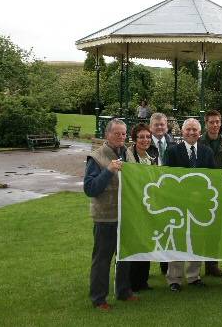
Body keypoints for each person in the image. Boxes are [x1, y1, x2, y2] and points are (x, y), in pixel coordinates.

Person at [83, 119, 137, 311]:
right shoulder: (96, 157)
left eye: (123, 133)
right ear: (107, 135)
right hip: (105, 217)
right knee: (102, 259)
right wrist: (108, 170)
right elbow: (90, 189)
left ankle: (123, 291)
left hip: (126, 216)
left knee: (124, 257)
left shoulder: (128, 153)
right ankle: (98, 298)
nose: (121, 137)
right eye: (117, 133)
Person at [163, 118, 216, 292]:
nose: (192, 132)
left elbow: (213, 178)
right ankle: (174, 279)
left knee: (196, 239)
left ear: (199, 133)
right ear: (182, 132)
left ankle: (194, 276)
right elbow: (166, 178)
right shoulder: (172, 152)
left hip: (199, 205)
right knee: (177, 240)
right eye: (188, 129)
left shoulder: (207, 152)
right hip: (178, 204)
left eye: (195, 130)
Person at [199, 109, 222, 277]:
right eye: (211, 122)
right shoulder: (198, 142)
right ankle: (195, 265)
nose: (214, 125)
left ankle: (212, 265)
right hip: (202, 193)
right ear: (206, 123)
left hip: (221, 193)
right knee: (200, 229)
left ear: (221, 123)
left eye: (217, 122)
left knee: (217, 229)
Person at [125, 123, 157, 292]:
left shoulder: (152, 156)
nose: (145, 140)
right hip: (133, 205)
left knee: (146, 242)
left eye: (147, 137)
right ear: (134, 139)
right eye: (141, 137)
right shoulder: (128, 155)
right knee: (134, 242)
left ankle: (142, 281)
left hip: (147, 205)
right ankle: (131, 281)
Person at [147, 112, 176, 274]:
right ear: (151, 127)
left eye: (162, 125)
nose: (159, 127)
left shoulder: (173, 144)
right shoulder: (144, 143)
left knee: (169, 230)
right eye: (156, 125)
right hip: (152, 192)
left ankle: (167, 268)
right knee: (150, 230)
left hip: (170, 194)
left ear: (167, 126)